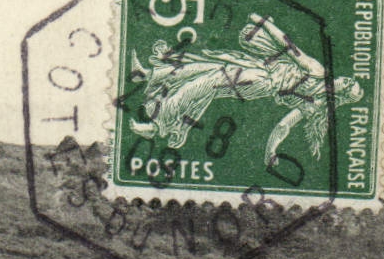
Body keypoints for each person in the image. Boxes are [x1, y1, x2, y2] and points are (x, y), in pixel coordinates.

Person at [128, 13, 362, 169]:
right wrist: (270, 152)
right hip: (260, 69)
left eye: (348, 85)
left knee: (209, 81)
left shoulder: (318, 74)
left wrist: (264, 23)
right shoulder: (316, 101)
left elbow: (289, 46)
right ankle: (148, 75)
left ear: (341, 92)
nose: (346, 80)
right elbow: (284, 126)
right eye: (350, 80)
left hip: (261, 80)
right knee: (207, 68)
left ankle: (157, 124)